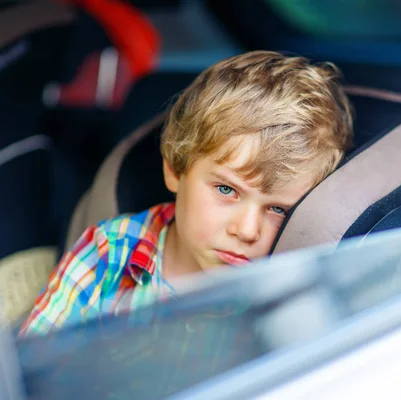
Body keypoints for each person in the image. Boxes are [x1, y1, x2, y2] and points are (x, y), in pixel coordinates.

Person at [19, 51, 353, 336]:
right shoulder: (110, 255)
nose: (248, 230)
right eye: (226, 189)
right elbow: (36, 364)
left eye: (279, 209)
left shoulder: (286, 289)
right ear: (176, 170)